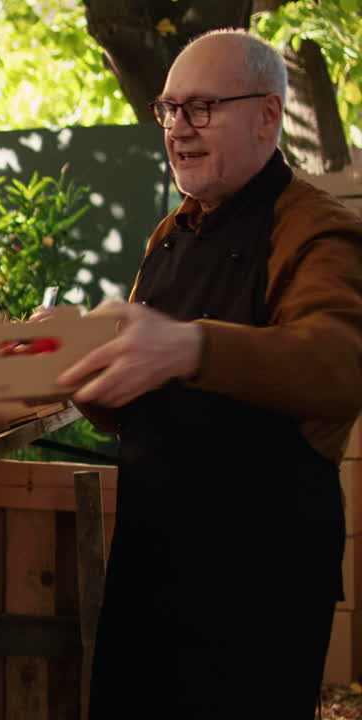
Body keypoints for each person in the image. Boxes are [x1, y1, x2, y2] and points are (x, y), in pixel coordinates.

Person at [53, 30, 362, 717]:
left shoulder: (315, 230)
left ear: (267, 116)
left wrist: (192, 348)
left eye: (201, 108)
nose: (178, 130)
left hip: (259, 587)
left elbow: (338, 366)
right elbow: (132, 400)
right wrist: (78, 376)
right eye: (168, 110)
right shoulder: (169, 236)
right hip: (152, 566)